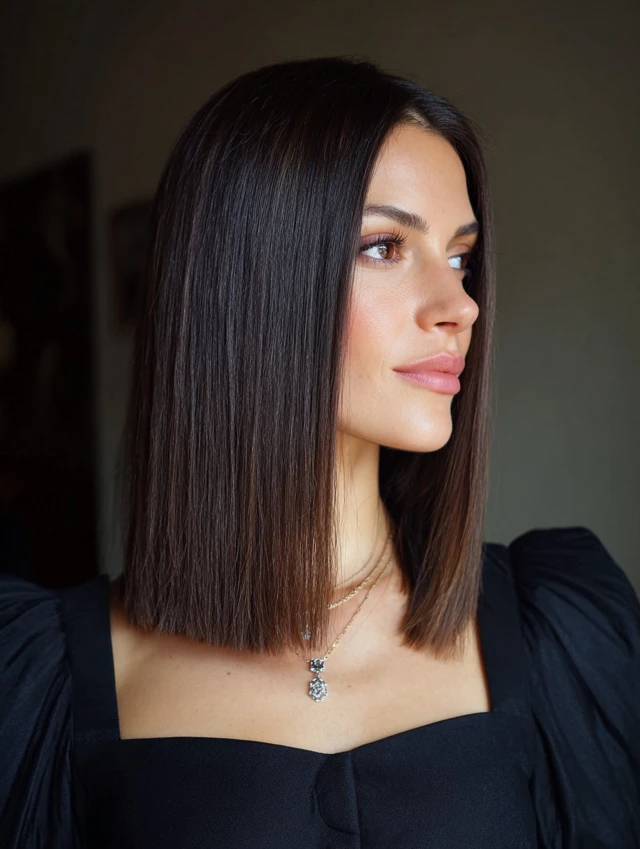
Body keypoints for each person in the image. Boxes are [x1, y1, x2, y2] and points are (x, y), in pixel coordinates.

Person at [1, 55, 639, 849]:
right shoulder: (38, 681)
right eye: (385, 246)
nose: (461, 306)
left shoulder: (564, 629)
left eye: (461, 258)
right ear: (246, 280)